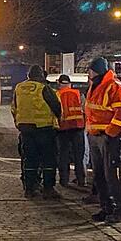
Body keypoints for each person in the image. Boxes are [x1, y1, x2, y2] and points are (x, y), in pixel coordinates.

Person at [85, 57, 121, 224]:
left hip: (109, 138)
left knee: (113, 174)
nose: (88, 73)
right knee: (99, 174)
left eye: (90, 70)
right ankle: (106, 207)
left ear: (96, 70)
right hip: (96, 136)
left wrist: (111, 132)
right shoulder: (96, 86)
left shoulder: (114, 87)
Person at [11, 65, 62, 199]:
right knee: (48, 160)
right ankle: (48, 189)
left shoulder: (19, 88)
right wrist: (57, 120)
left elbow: (13, 107)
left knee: (29, 160)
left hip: (26, 130)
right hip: (44, 129)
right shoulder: (44, 88)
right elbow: (56, 106)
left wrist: (19, 123)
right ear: (41, 76)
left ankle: (30, 189)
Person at [55, 74, 86, 188]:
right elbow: (84, 109)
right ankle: (81, 180)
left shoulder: (57, 94)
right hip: (78, 127)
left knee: (63, 155)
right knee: (79, 156)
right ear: (70, 84)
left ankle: (64, 180)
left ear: (59, 84)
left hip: (63, 129)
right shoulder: (78, 94)